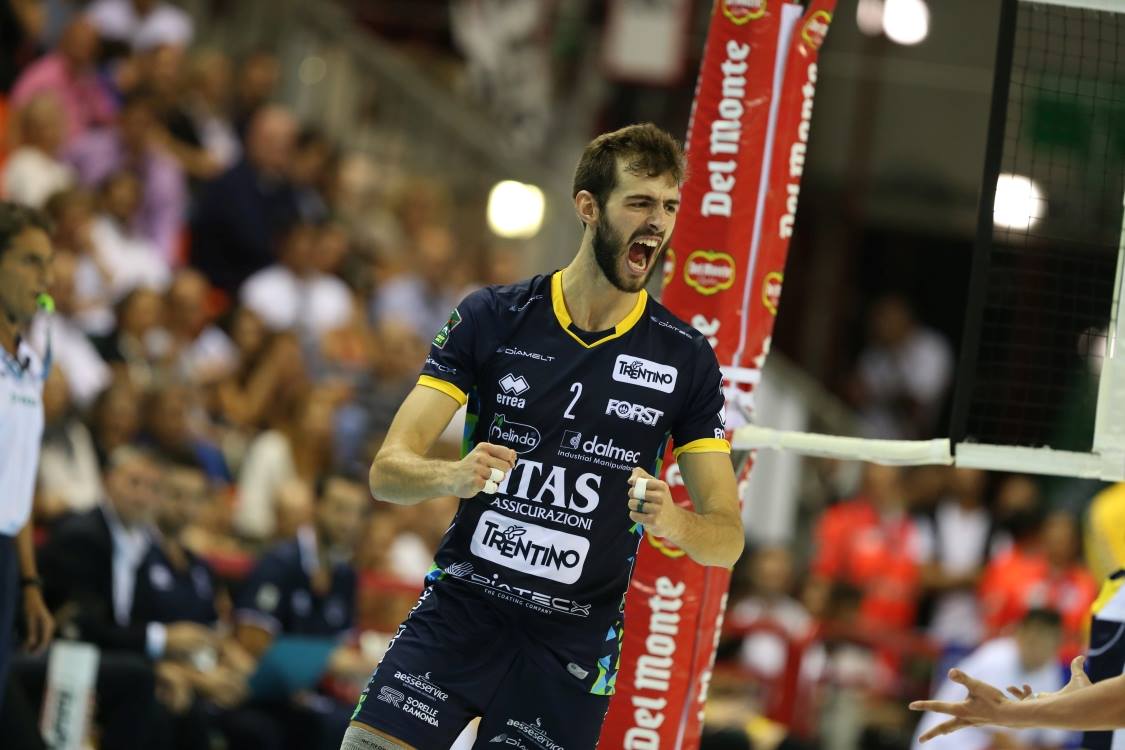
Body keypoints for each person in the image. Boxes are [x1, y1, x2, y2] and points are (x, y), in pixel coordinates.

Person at [344, 123, 745, 749]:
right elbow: (387, 472)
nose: (657, 222)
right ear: (588, 207)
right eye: (639, 202)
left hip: (570, 652)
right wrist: (453, 473)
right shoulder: (492, 316)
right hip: (461, 615)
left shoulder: (686, 358)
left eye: (669, 206)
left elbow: (727, 541)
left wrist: (673, 522)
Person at [0, 202, 57, 715]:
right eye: (30, 261)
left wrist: (29, 582)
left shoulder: (31, 365)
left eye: (49, 263)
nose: (46, 279)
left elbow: (16, 484)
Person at [910, 608, 1073, 749]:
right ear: (1019, 634)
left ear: (1058, 643)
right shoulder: (996, 658)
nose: (1038, 648)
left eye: (1046, 641)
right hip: (947, 743)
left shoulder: (1051, 670)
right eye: (1033, 639)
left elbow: (1053, 739)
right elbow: (1000, 739)